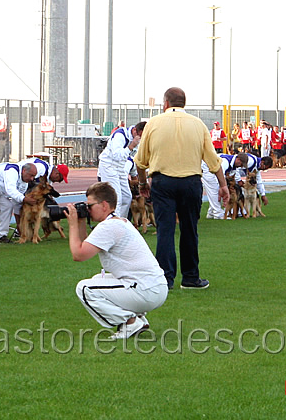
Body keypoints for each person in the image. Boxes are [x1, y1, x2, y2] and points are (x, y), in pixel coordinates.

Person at [135, 87, 229, 290]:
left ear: (166, 103)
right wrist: (223, 185)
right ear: (183, 103)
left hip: (163, 182)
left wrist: (142, 183)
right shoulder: (198, 124)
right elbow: (213, 161)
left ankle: (165, 279)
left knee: (165, 231)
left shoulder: (154, 123)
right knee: (189, 230)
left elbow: (140, 162)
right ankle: (191, 277)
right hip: (191, 182)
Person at [66, 182, 168, 340]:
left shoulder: (109, 227)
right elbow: (86, 246)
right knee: (96, 280)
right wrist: (80, 222)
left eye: (90, 205)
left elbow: (78, 255)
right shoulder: (117, 222)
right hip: (153, 286)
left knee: (85, 288)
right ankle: (138, 318)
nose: (88, 210)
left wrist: (72, 225)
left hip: (146, 289)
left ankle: (130, 322)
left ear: (104, 205)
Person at [97, 121, 146, 218]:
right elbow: (117, 156)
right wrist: (131, 146)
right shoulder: (120, 135)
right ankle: (113, 224)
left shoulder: (138, 141)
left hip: (121, 167)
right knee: (116, 198)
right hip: (109, 166)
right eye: (140, 135)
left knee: (127, 197)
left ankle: (121, 222)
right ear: (135, 130)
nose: (141, 139)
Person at [201, 152, 248, 219]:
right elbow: (219, 174)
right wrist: (222, 187)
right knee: (214, 190)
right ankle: (218, 214)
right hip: (208, 168)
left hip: (212, 167)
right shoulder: (225, 162)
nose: (241, 166)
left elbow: (234, 178)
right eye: (241, 164)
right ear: (238, 159)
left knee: (215, 190)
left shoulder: (233, 166)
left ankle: (211, 213)